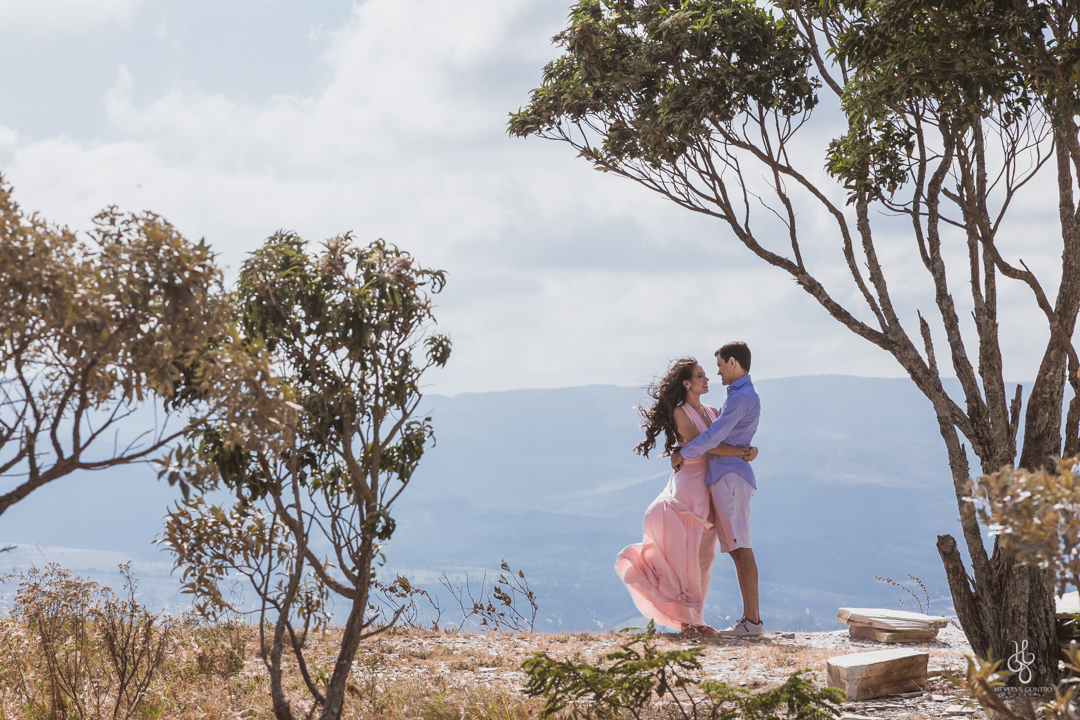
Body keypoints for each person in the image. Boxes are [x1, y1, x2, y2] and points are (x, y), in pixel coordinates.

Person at [615, 358, 757, 637]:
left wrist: (748, 450)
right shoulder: (681, 412)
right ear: (687, 383)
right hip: (691, 487)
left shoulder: (713, 411)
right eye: (701, 376)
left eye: (706, 375)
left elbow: (722, 442)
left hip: (711, 485)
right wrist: (743, 452)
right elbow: (708, 447)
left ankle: (696, 620)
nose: (707, 379)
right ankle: (687, 621)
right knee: (687, 557)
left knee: (704, 558)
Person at [670, 341, 762, 636]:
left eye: (720, 365)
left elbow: (713, 437)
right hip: (726, 475)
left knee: (740, 548)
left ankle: (752, 622)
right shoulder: (738, 395)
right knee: (736, 548)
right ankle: (748, 621)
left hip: (730, 476)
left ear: (733, 362)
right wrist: (746, 450)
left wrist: (681, 454)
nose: (717, 373)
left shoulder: (738, 397)